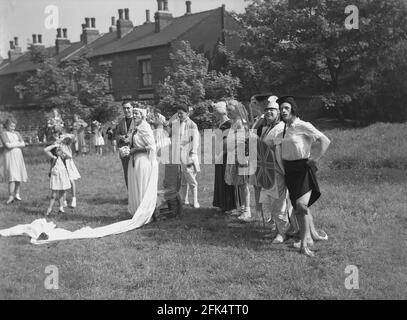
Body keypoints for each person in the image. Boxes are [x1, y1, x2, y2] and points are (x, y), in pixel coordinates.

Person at [277, 96, 331, 257]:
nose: (283, 111)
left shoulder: (303, 125)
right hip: (290, 171)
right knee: (299, 208)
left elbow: (325, 140)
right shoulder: (284, 129)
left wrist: (315, 159)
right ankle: (307, 239)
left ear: (293, 109)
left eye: (286, 108)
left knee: (301, 206)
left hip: (303, 169)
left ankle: (304, 244)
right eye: (281, 109)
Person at [256, 98, 292, 243]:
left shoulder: (281, 128)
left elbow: (280, 150)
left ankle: (282, 233)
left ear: (278, 113)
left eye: (272, 110)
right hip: (266, 170)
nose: (268, 112)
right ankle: (276, 230)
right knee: (271, 203)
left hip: (277, 170)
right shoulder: (266, 128)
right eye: (266, 110)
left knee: (279, 203)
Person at [127, 106, 158, 219]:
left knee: (142, 185)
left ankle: (145, 213)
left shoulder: (145, 127)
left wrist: (136, 150)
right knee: (135, 185)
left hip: (143, 160)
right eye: (133, 113)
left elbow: (151, 146)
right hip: (134, 160)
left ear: (142, 116)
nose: (134, 115)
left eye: (137, 114)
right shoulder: (135, 126)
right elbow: (133, 141)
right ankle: (137, 210)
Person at [167, 105, 200, 208]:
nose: (179, 115)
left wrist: (193, 153)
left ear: (187, 113)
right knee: (183, 178)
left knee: (191, 177)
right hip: (179, 154)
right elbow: (171, 135)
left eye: (181, 113)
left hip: (189, 154)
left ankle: (195, 200)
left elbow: (195, 140)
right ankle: (184, 200)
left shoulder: (192, 124)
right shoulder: (175, 123)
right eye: (178, 113)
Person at [225, 99, 252, 222]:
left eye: (230, 110)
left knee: (243, 184)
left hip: (241, 156)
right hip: (234, 155)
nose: (228, 112)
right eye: (227, 110)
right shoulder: (234, 122)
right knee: (238, 183)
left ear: (237, 110)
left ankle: (247, 210)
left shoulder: (241, 123)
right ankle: (241, 207)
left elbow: (243, 141)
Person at [212, 101, 236, 214]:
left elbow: (228, 143)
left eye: (216, 112)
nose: (214, 114)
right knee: (220, 179)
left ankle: (229, 205)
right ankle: (221, 204)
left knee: (226, 179)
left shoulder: (229, 123)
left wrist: (221, 155)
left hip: (225, 155)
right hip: (219, 154)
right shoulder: (219, 123)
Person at [0, 119, 28, 204]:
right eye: (11, 126)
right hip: (10, 156)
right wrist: (18, 144)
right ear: (7, 126)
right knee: (12, 175)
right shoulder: (4, 134)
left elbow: (23, 144)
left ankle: (17, 194)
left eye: (14, 126)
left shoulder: (17, 133)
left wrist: (16, 144)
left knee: (18, 174)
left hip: (18, 155)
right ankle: (11, 196)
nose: (13, 128)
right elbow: (8, 145)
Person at [44, 134, 72, 215]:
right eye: (58, 150)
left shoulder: (63, 157)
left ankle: (61, 208)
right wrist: (55, 145)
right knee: (53, 194)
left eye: (60, 150)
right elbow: (45, 150)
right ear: (55, 151)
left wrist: (62, 150)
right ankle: (49, 209)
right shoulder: (53, 157)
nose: (59, 151)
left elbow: (70, 156)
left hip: (63, 175)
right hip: (55, 176)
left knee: (62, 192)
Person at [115, 101, 136, 188]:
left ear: (132, 108)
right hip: (124, 152)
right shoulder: (121, 122)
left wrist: (130, 138)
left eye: (128, 108)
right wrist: (121, 137)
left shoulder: (137, 120)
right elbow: (116, 135)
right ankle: (130, 196)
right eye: (124, 108)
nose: (126, 110)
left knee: (136, 174)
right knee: (127, 174)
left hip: (136, 152)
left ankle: (138, 196)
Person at [59, 134, 81, 208]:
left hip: (68, 165)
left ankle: (73, 199)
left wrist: (63, 150)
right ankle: (64, 201)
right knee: (64, 183)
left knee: (71, 181)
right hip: (62, 165)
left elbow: (69, 156)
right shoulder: (59, 147)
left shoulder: (67, 146)